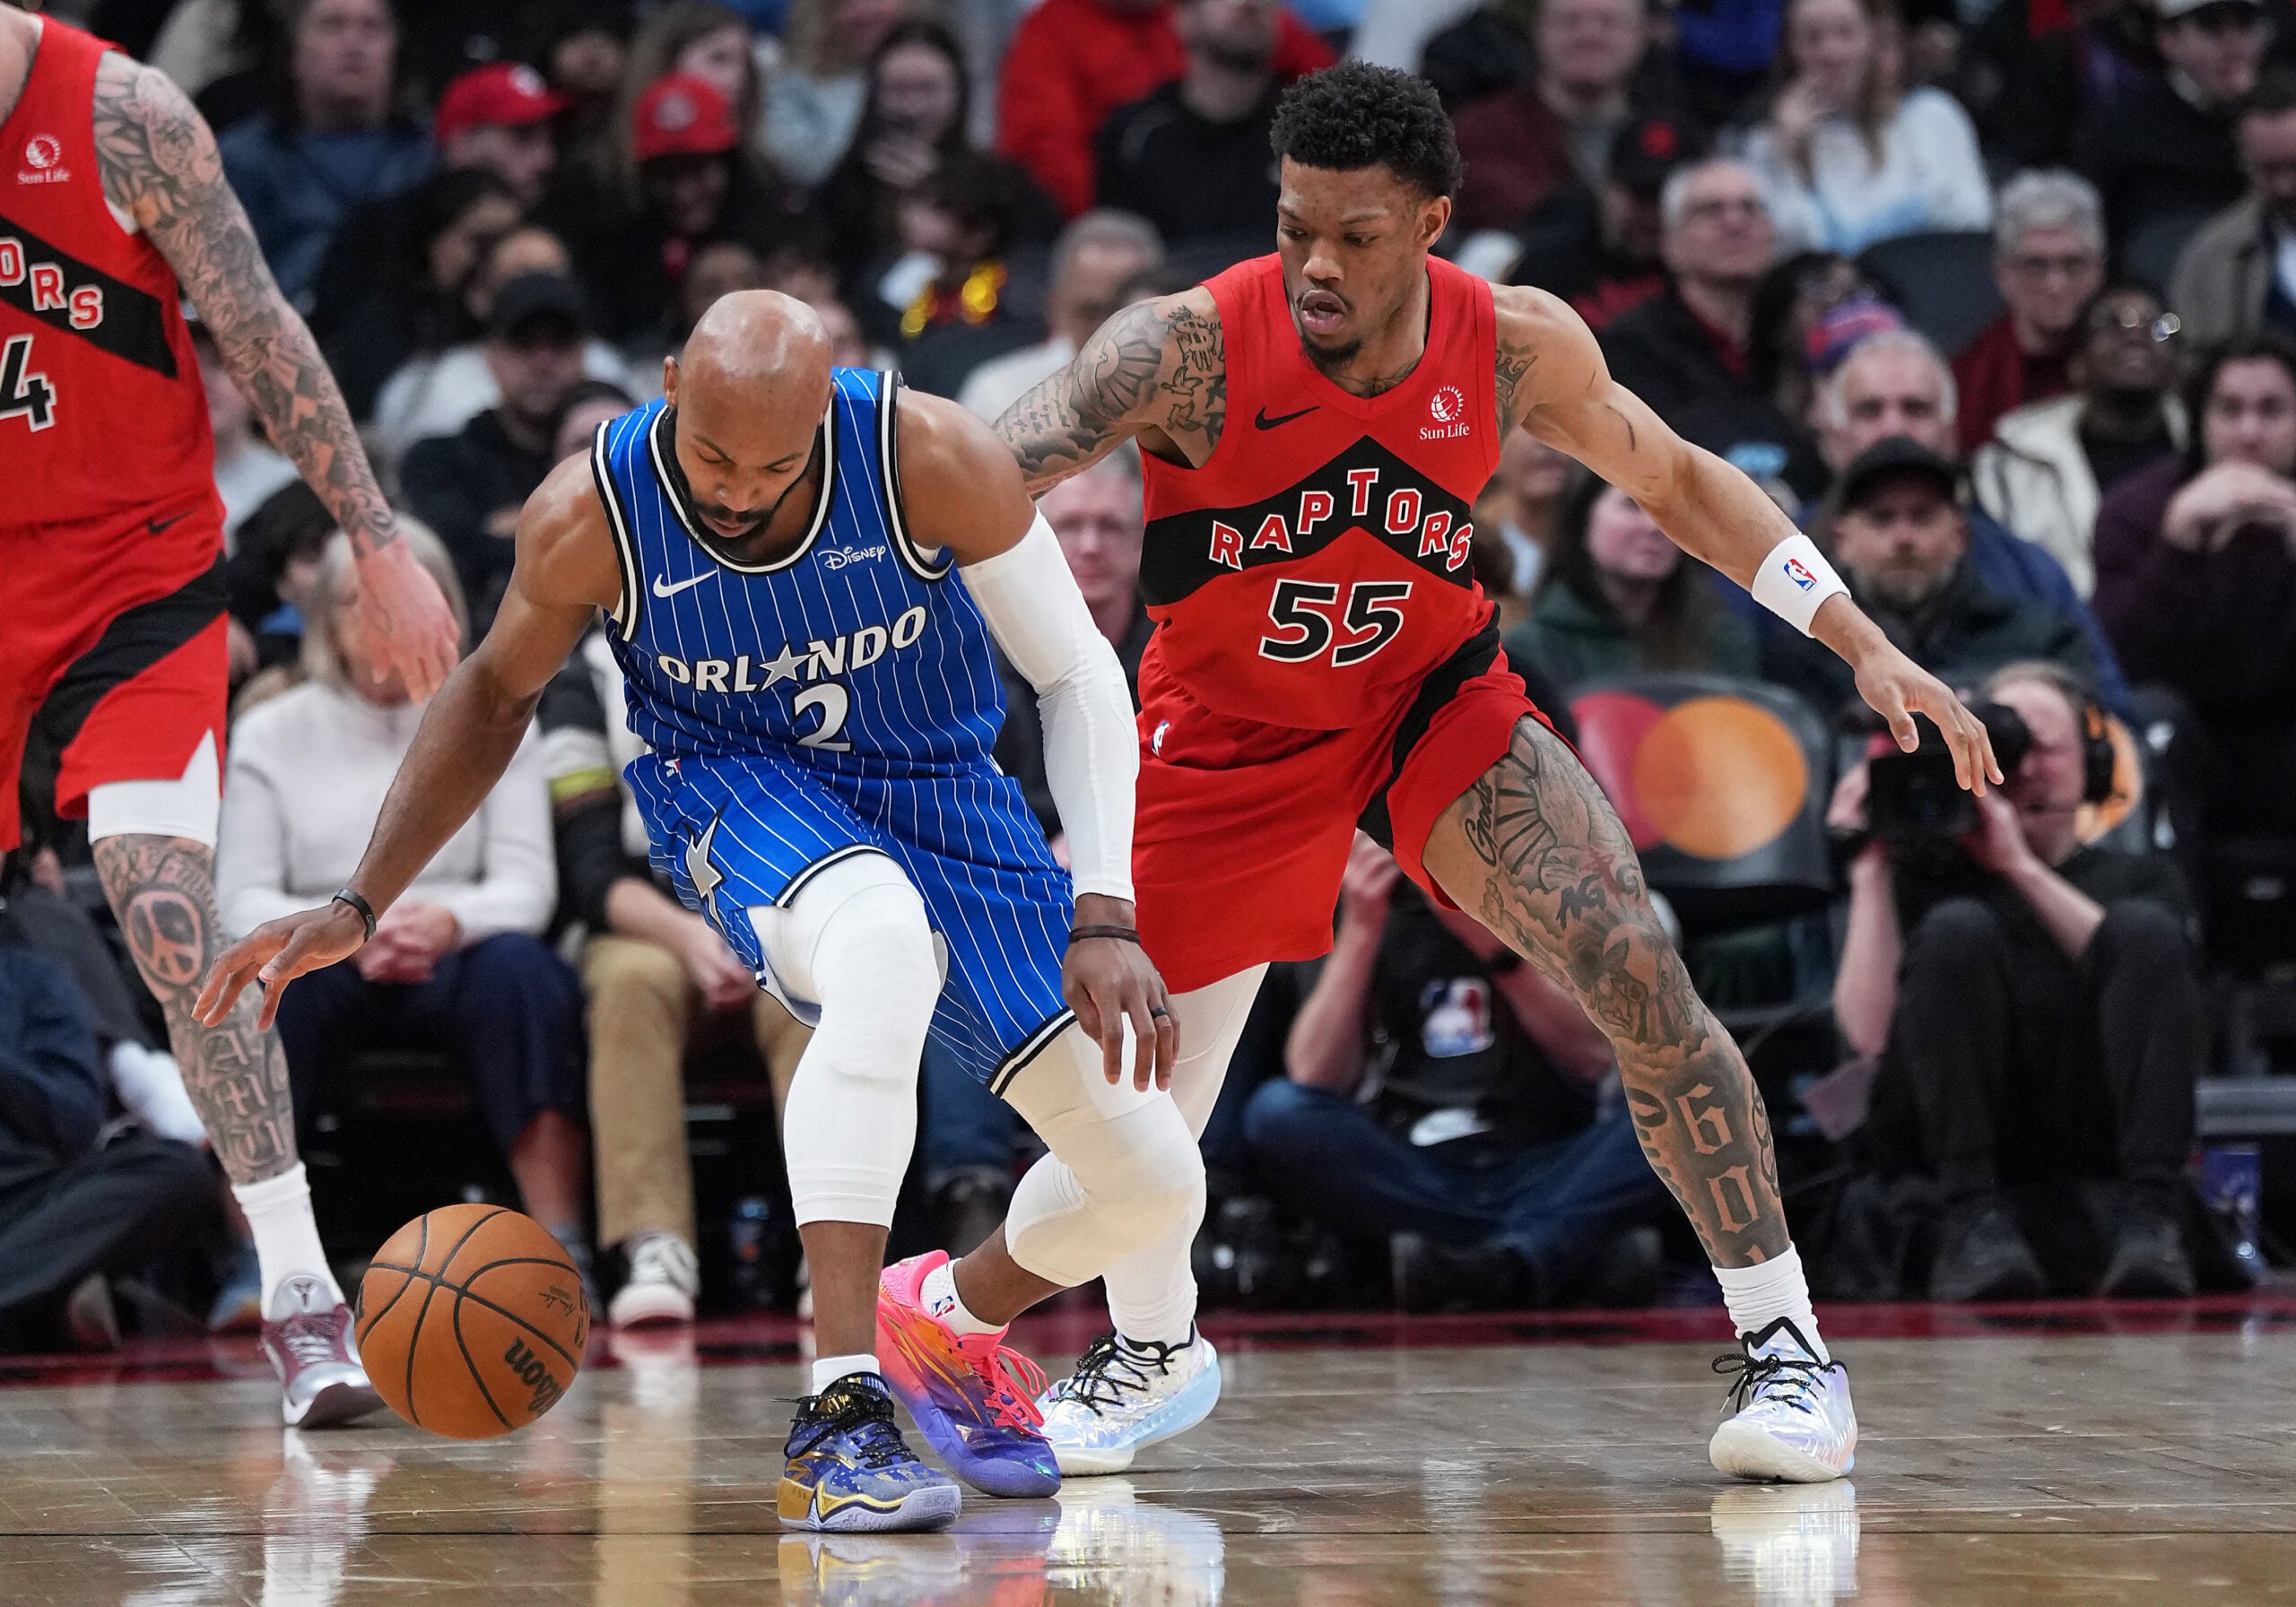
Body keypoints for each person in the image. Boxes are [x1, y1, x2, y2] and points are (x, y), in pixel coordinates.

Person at [991, 62, 2003, 1483]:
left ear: (1434, 224)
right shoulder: (1182, 350)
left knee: (1633, 961)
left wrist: (1856, 637)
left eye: (1355, 234)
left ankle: (1789, 1356)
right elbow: (981, 467)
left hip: (1427, 698)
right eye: (1294, 228)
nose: (1316, 265)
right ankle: (1156, 1349)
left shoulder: (1515, 343)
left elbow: (1683, 480)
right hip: (1225, 731)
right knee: (1140, 1118)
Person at [197, 291, 1208, 1533]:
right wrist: (362, 897)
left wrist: (1104, 909)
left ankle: (945, 1318)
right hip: (735, 786)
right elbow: (494, 694)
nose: (736, 489)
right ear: (671, 383)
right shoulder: (594, 508)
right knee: (882, 942)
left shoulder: (931, 456)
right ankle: (841, 1416)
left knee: (1156, 1182)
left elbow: (1074, 673)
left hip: (943, 790)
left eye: (775, 465)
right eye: (715, 455)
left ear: (828, 410)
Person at [0, 10, 457, 1428]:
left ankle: (304, 1298)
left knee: (165, 904)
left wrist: (373, 534)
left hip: (135, 583)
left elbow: (260, 327)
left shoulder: (126, 116)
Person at [215, 528, 590, 1273]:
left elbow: (528, 886)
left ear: (442, 608)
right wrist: (339, 928)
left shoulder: (495, 713)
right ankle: (257, 1266)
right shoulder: (269, 730)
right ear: (325, 616)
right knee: (255, 995)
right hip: (316, 954)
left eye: (402, 598)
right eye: (362, 600)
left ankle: (562, 1247)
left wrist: (450, 921)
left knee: (528, 979)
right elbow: (241, 894)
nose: (383, 617)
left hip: (458, 945)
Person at [1831, 660, 2207, 1299]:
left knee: (2143, 929)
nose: (2025, 767)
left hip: (2096, 1133)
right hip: (1949, 1172)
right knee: (1958, 930)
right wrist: (1868, 869)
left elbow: (2151, 976)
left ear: (2092, 763)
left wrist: (2019, 869)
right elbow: (1869, 1040)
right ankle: (1972, 1215)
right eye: (2003, 748)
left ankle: (2152, 1216)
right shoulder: (1928, 883)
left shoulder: (2141, 880)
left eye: (2047, 749)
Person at [1245, 832, 1669, 1312]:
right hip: (1415, 1172)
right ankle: (1544, 1252)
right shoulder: (1352, 909)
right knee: (1278, 1112)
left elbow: (1595, 1059)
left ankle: (1460, 1265)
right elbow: (1315, 1078)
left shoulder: (1548, 901)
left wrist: (1491, 940)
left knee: (1676, 1111)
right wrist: (1363, 926)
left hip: (1544, 1160)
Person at [1805, 330, 2136, 717]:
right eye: (1869, 411)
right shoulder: (1763, 554)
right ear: (1832, 432)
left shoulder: (2029, 572)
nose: (1893, 428)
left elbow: (2111, 722)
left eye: (1915, 409)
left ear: (1952, 429)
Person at [2092, 332, 2296, 835]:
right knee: (2153, 718)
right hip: (2189, 733)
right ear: (2199, 420)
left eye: (2272, 411)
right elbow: (2114, 665)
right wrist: (2178, 544)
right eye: (2229, 410)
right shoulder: (2137, 511)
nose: (2249, 432)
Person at [0, 901, 213, 1354]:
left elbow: (75, 1124)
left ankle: (39, 1288)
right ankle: (43, 1293)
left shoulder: (33, 979)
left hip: (26, 1197)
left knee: (176, 1170)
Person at [1769, 436, 2097, 721]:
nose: (1903, 538)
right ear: (1842, 540)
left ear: (1960, 535)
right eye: (1882, 518)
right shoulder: (1798, 649)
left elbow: (2106, 738)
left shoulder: (2041, 638)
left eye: (1922, 516)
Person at [305, 61, 568, 378]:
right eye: (522, 136)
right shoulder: (380, 231)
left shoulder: (568, 221)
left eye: (550, 139)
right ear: (461, 144)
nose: (546, 160)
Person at [1600, 158, 1830, 501]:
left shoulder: (1802, 336)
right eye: (1711, 210)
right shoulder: (1632, 350)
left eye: (1750, 208)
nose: (1735, 222)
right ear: (1670, 243)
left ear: (1772, 234)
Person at [993, 0, 1334, 219]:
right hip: (1132, 215)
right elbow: (1045, 148)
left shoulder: (1248, 21)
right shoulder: (1052, 29)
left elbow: (1329, 88)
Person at [401, 273, 596, 635]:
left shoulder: (604, 450)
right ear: (491, 356)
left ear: (584, 353)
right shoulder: (439, 461)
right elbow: (452, 564)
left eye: (560, 343)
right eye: (523, 343)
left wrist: (515, 529)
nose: (543, 361)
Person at [1971, 285, 2188, 598]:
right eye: (2113, 323)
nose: (2136, 334)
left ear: (2177, 363)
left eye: (2157, 325)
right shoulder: (2010, 467)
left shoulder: (2211, 448)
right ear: (2077, 365)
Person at [216, 0, 432, 307]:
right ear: (293, 55)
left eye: (371, 28)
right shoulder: (240, 161)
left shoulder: (430, 154)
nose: (354, 43)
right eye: (333, 25)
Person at [1735, 0, 1991, 256]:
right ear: (1791, 50)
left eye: (1845, 33)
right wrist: (1786, 154)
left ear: (1872, 41)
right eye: (1812, 38)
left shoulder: (1930, 117)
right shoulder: (1767, 145)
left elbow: (1969, 218)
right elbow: (1780, 249)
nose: (1831, 53)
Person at [1503, 470, 1759, 692]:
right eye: (1632, 505)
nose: (1655, 526)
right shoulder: (1532, 649)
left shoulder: (1720, 639)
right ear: (1583, 518)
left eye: (1667, 511)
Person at [2074, 0, 2266, 281]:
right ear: (2169, 39)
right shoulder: (2122, 127)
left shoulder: (2281, 119)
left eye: (2245, 24)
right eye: (2211, 25)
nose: (2233, 44)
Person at [1093, 0, 1288, 269]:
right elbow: (1116, 256)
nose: (1250, 4)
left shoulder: (1306, 134)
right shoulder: (1134, 134)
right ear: (1183, 16)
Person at [1448, 0, 1652, 243]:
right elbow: (1484, 197)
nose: (1589, 35)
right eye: (1570, 21)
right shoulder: (1484, 129)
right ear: (1539, 31)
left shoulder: (1671, 131)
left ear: (1640, 35)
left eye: (1609, 22)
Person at [1954, 171, 2108, 454]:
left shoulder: (2124, 364)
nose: (2056, 285)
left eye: (2073, 265)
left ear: (2098, 271)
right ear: (2004, 274)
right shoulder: (1967, 379)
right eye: (2035, 266)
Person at [959, 213, 1163, 424]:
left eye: (1125, 314)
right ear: (1055, 308)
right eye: (1090, 313)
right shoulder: (1001, 396)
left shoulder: (1191, 397)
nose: (1110, 330)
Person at [1507, 112, 1697, 334]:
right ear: (1607, 191)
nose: (1651, 215)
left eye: (1666, 200)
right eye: (1640, 196)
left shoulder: (1715, 274)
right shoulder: (1548, 265)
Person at [2170, 72, 2296, 350]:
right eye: (2268, 170)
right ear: (2244, 161)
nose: (2285, 186)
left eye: (2294, 166)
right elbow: (2194, 363)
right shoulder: (2211, 255)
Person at [765, 0, 909, 188]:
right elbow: (804, 167)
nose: (867, 10)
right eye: (849, 3)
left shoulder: (940, 64)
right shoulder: (790, 83)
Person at [195, 321, 298, 543]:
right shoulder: (140, 488)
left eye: (220, 364)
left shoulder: (289, 487)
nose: (204, 381)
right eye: (188, 364)